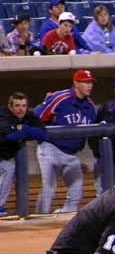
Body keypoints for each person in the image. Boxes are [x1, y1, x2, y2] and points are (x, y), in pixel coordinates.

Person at [34, 70, 98, 214]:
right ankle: (39, 218)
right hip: (50, 148)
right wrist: (41, 140)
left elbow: (93, 132)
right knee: (49, 188)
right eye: (86, 82)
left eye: (90, 82)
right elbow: (36, 116)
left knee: (76, 191)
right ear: (76, 83)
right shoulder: (60, 98)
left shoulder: (90, 106)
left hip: (71, 154)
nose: (90, 86)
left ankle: (65, 221)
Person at [0, 92, 48, 217]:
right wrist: (27, 130)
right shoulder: (4, 115)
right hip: (3, 154)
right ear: (10, 106)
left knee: (8, 168)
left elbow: (43, 135)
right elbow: (10, 136)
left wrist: (25, 128)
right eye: (17, 106)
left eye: (24, 105)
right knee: (8, 168)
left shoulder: (29, 115)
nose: (21, 109)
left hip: (4, 155)